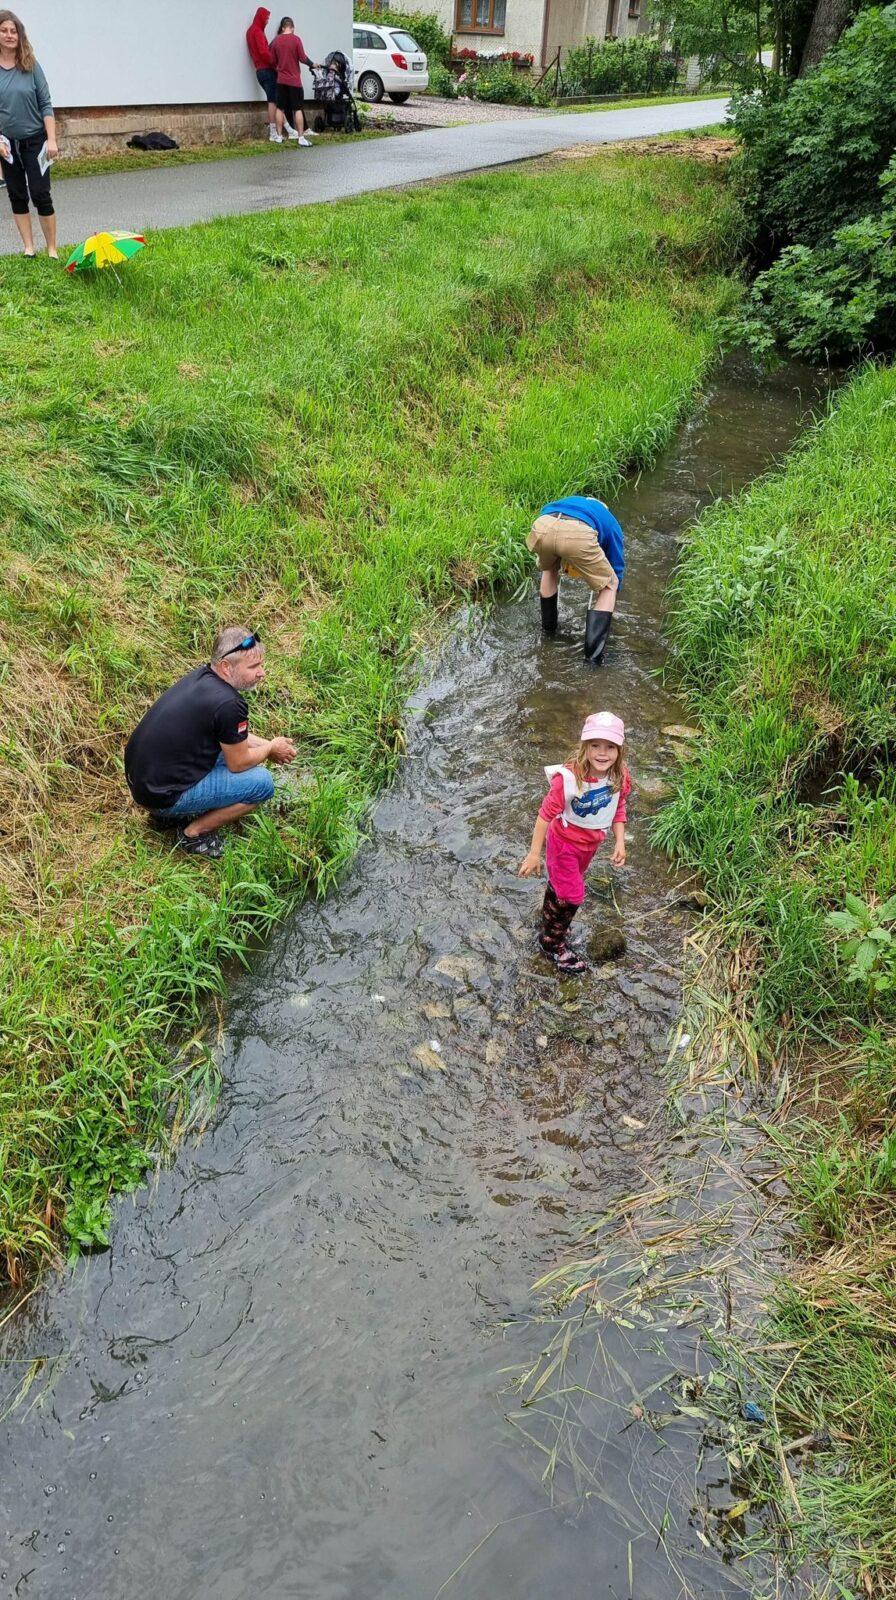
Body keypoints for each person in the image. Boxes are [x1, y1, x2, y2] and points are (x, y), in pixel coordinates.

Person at [124, 627, 297, 859]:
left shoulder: (203, 678)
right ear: (227, 667)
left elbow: (231, 736)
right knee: (261, 783)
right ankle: (193, 833)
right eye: (254, 667)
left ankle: (167, 815)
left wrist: (269, 745)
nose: (262, 673)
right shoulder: (229, 704)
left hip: (145, 781)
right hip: (161, 796)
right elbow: (238, 762)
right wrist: (270, 749)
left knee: (241, 758)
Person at [518, 712, 630, 976]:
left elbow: (619, 807)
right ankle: (552, 944)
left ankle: (550, 920)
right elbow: (544, 815)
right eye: (595, 745)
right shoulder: (567, 779)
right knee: (573, 895)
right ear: (584, 746)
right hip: (564, 846)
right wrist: (534, 854)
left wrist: (620, 842)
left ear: (620, 750)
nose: (602, 753)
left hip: (589, 846)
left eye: (610, 746)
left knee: (561, 887)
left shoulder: (619, 777)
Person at [527, 494, 625, 664]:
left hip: (543, 524)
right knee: (610, 584)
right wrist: (612, 588)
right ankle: (592, 658)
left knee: (549, 569)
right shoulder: (609, 520)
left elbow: (555, 529)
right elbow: (616, 567)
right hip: (578, 533)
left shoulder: (570, 502)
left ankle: (548, 630)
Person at [0, 9, 58, 258]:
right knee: (17, 195)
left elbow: (46, 103)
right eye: (4, 30)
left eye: (14, 31)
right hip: (6, 144)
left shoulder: (31, 66)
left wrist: (52, 139)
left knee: (41, 193)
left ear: (20, 35)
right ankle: (29, 248)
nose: (9, 35)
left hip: (36, 141)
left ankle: (52, 249)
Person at [246, 6, 292, 143]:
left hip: (259, 71)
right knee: (273, 101)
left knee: (275, 100)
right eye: (266, 18)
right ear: (260, 17)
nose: (267, 21)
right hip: (266, 70)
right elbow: (263, 52)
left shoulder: (250, 31)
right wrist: (275, 64)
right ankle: (273, 133)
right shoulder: (257, 32)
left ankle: (289, 129)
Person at [270, 16, 318, 147]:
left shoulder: (275, 41)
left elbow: (272, 61)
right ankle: (301, 137)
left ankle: (279, 136)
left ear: (282, 27)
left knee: (280, 108)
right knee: (297, 109)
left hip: (281, 81)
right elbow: (302, 58)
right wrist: (312, 64)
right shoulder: (296, 40)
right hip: (294, 81)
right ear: (292, 28)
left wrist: (279, 68)